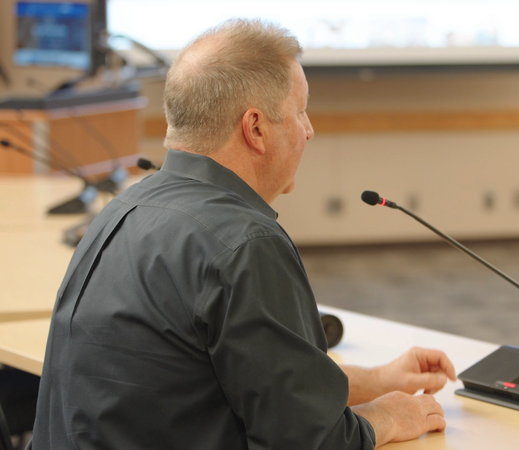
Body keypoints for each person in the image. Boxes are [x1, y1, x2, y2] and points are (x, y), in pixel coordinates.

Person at [28, 19, 456, 449]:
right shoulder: (244, 244)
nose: (309, 129)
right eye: (300, 111)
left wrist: (378, 380)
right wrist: (387, 416)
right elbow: (312, 442)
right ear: (255, 128)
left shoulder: (119, 211)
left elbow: (239, 378)